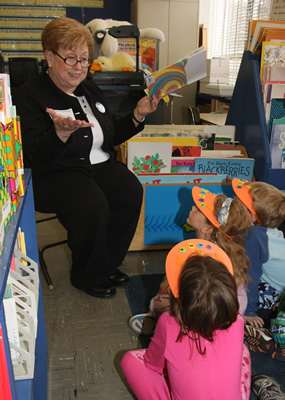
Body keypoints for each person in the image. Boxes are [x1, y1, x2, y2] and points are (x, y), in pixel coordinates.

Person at [13, 17, 161, 298]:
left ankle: (106, 264)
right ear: (49, 56)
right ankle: (87, 275)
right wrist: (58, 135)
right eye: (70, 59)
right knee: (92, 204)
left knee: (129, 190)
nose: (79, 67)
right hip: (54, 171)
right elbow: (32, 155)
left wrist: (137, 114)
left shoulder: (88, 88)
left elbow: (110, 134)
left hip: (95, 165)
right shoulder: (29, 96)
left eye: (84, 59)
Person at [121, 239, 251, 400]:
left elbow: (153, 364)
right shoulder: (237, 321)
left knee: (129, 360)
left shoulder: (168, 322)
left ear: (178, 296)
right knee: (243, 350)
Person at [129, 185, 250, 334]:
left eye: (199, 209)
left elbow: (193, 295)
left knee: (159, 299)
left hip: (203, 315)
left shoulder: (198, 258)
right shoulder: (227, 249)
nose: (193, 207)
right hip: (229, 318)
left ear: (207, 228)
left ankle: (174, 327)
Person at [232, 179, 285, 328]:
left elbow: (251, 275)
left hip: (279, 294)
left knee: (237, 286)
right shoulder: (264, 232)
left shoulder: (253, 235)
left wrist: (249, 311)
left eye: (240, 202)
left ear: (252, 217)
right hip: (278, 284)